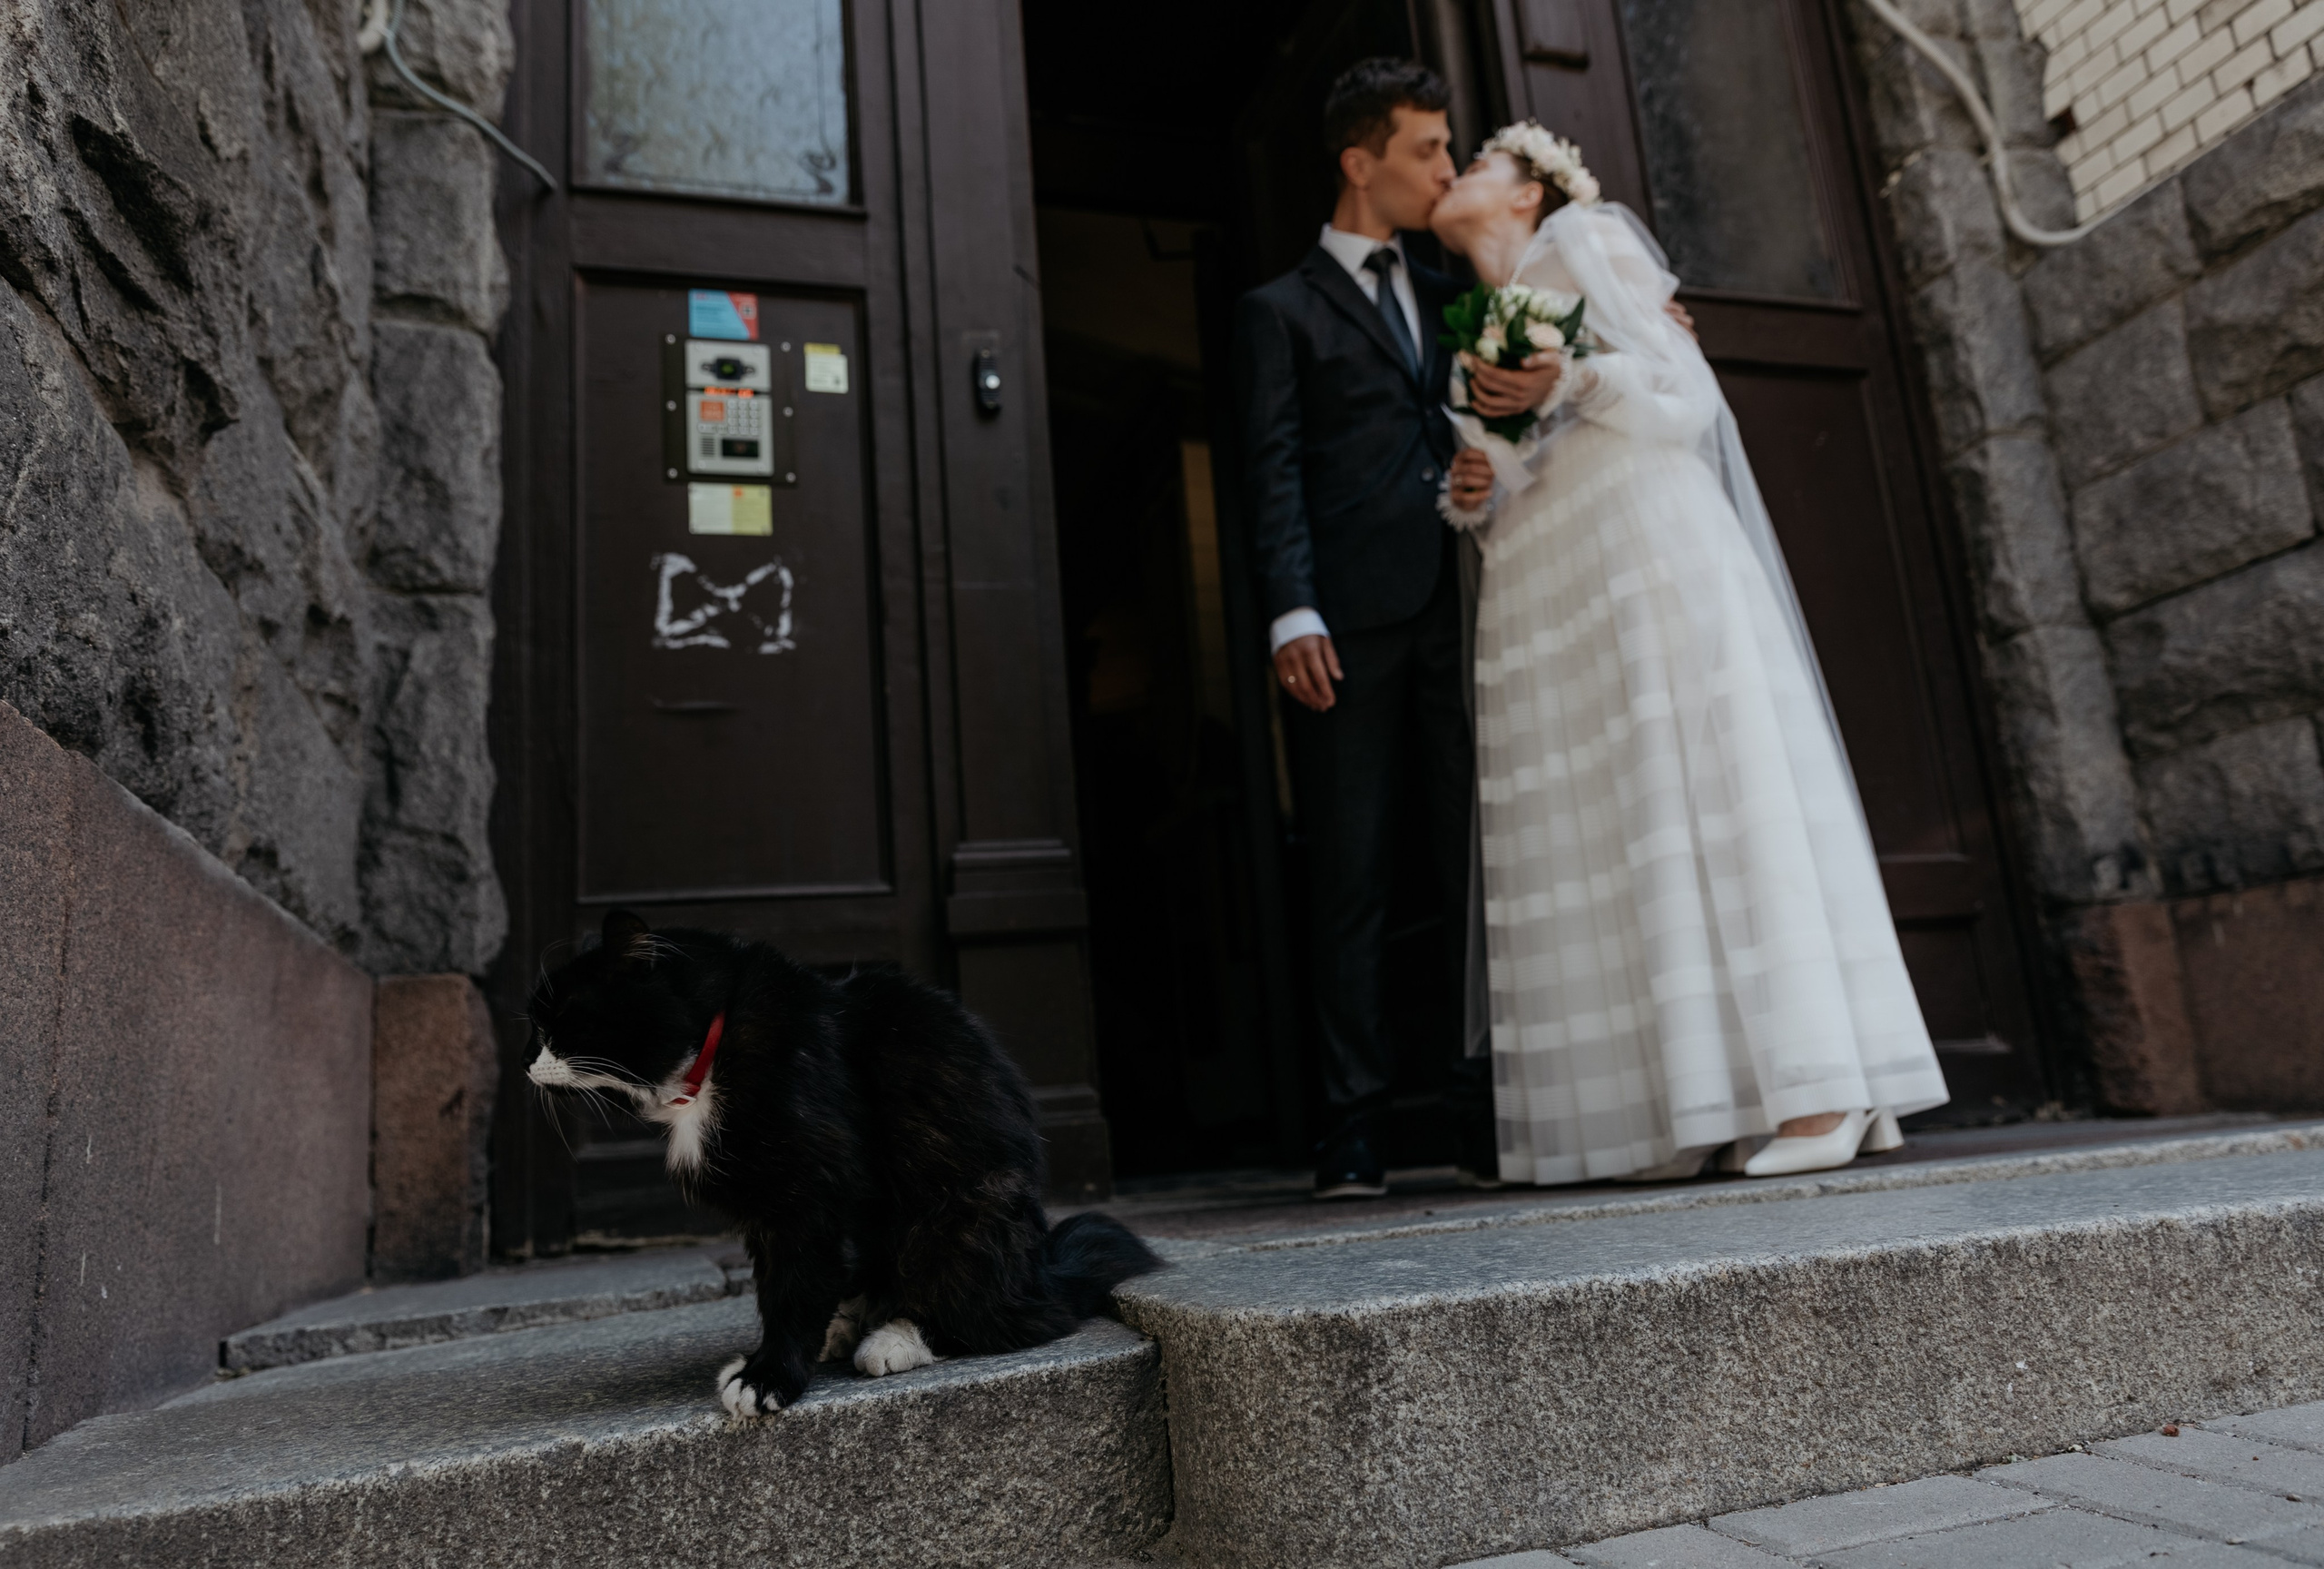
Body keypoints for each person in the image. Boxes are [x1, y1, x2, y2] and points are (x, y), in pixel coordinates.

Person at [1427, 123, 1950, 1183]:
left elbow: (1686, 404)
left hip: (1641, 555)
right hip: (1547, 587)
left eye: (1478, 160)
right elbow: (1509, 473)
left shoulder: (1588, 252)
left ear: (1530, 193)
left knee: (1712, 791)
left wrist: (1566, 378)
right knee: (1614, 822)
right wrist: (1471, 490)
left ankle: (1820, 1093)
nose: (1456, 173)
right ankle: (1679, 1109)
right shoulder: (1473, 331)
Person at [1233, 62, 1563, 1198]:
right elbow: (1270, 471)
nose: (1443, 168)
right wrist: (1291, 609)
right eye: (1427, 149)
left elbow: (1497, 412)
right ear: (1357, 160)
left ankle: (1482, 1112)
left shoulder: (1449, 283)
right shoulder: (1276, 313)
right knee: (1353, 877)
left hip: (1465, 606)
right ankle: (1352, 1130)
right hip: (1347, 627)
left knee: (1478, 863)